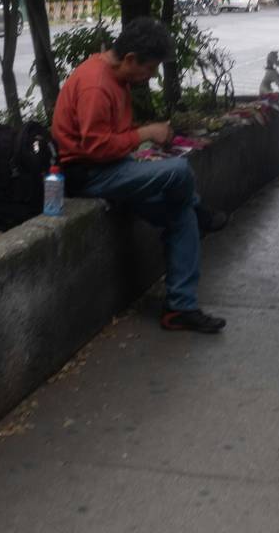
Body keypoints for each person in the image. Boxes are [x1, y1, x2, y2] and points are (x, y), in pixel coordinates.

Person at [52, 17, 228, 334]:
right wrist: (145, 133)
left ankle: (180, 308)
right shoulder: (96, 84)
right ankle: (200, 209)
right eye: (150, 68)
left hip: (114, 167)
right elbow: (94, 147)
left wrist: (136, 141)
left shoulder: (116, 78)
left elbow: (112, 141)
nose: (151, 76)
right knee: (177, 170)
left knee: (181, 215)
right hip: (88, 174)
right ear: (131, 59)